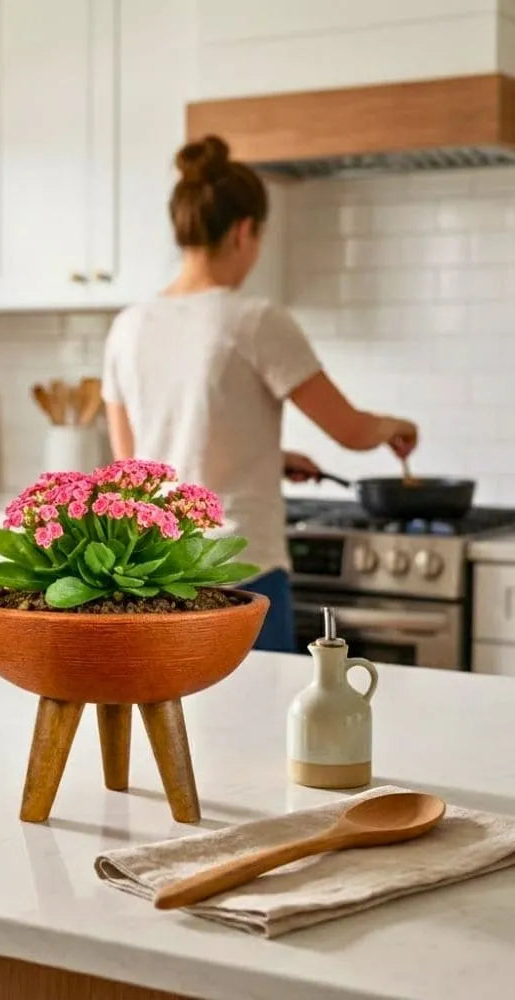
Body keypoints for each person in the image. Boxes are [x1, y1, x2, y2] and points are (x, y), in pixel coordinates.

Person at [101, 134, 418, 653]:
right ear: (245, 231)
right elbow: (353, 430)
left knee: (180, 731)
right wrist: (397, 428)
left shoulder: (128, 326)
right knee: (258, 727)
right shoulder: (253, 320)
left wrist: (266, 457)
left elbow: (135, 467)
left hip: (160, 577)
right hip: (240, 574)